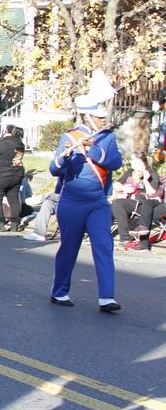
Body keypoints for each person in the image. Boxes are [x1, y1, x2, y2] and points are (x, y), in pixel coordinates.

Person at [49, 70, 123, 312]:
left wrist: (92, 150)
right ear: (88, 117)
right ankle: (59, 291)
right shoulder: (69, 137)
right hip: (72, 202)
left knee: (104, 246)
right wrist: (67, 155)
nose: (103, 121)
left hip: (98, 201)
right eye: (99, 118)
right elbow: (54, 169)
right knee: (69, 248)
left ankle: (107, 297)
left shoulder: (107, 138)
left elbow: (114, 162)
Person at [110, 151, 162, 251]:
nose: (132, 162)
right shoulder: (130, 172)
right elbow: (116, 184)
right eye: (131, 160)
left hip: (143, 203)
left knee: (118, 204)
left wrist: (146, 181)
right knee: (112, 206)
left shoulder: (152, 174)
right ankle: (98, 233)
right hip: (128, 201)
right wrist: (124, 189)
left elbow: (153, 194)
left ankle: (125, 238)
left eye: (134, 160)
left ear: (142, 162)